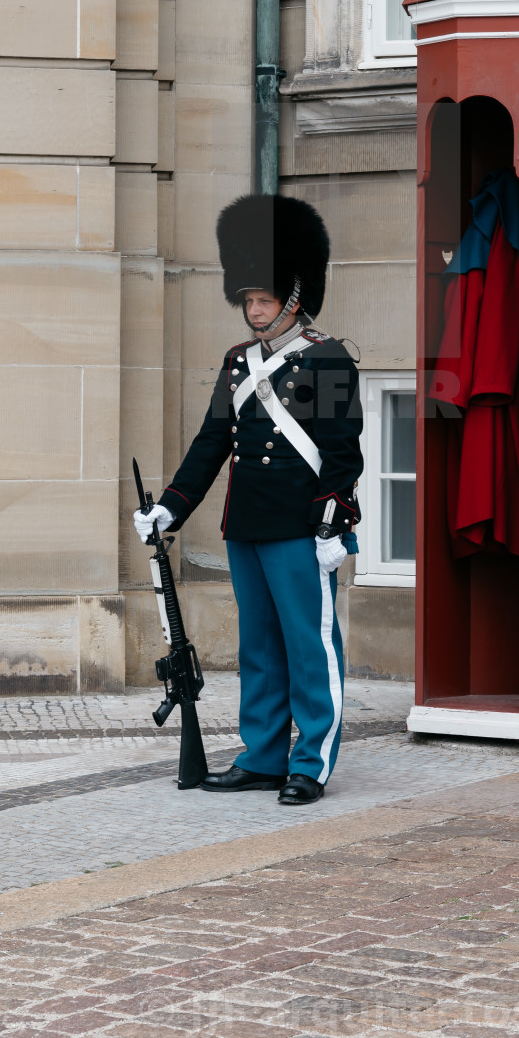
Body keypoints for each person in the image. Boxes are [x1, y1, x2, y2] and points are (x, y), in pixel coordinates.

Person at [134, 193, 362, 805]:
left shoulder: (329, 359)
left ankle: (311, 761)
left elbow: (343, 451)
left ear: (292, 298)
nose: (253, 311)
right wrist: (172, 506)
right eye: (248, 300)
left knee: (310, 649)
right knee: (259, 648)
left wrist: (334, 523)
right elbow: (212, 442)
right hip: (250, 524)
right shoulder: (238, 364)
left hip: (301, 527)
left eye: (262, 300)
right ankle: (264, 753)